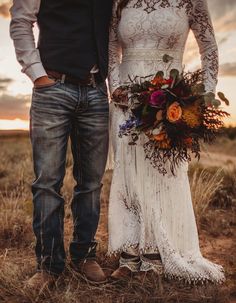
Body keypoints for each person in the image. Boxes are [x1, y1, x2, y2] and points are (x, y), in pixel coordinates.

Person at [108, 0, 225, 283]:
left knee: (165, 172)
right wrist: (116, 87)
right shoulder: (120, 1)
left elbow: (208, 46)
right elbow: (111, 48)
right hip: (126, 99)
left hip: (171, 97)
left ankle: (156, 253)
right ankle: (130, 252)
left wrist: (203, 97)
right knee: (130, 174)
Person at [10, 0, 113, 288]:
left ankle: (84, 256)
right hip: (53, 89)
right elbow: (21, 20)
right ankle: (48, 266)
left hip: (95, 93)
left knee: (91, 183)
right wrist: (37, 74)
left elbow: (114, 33)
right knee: (47, 183)